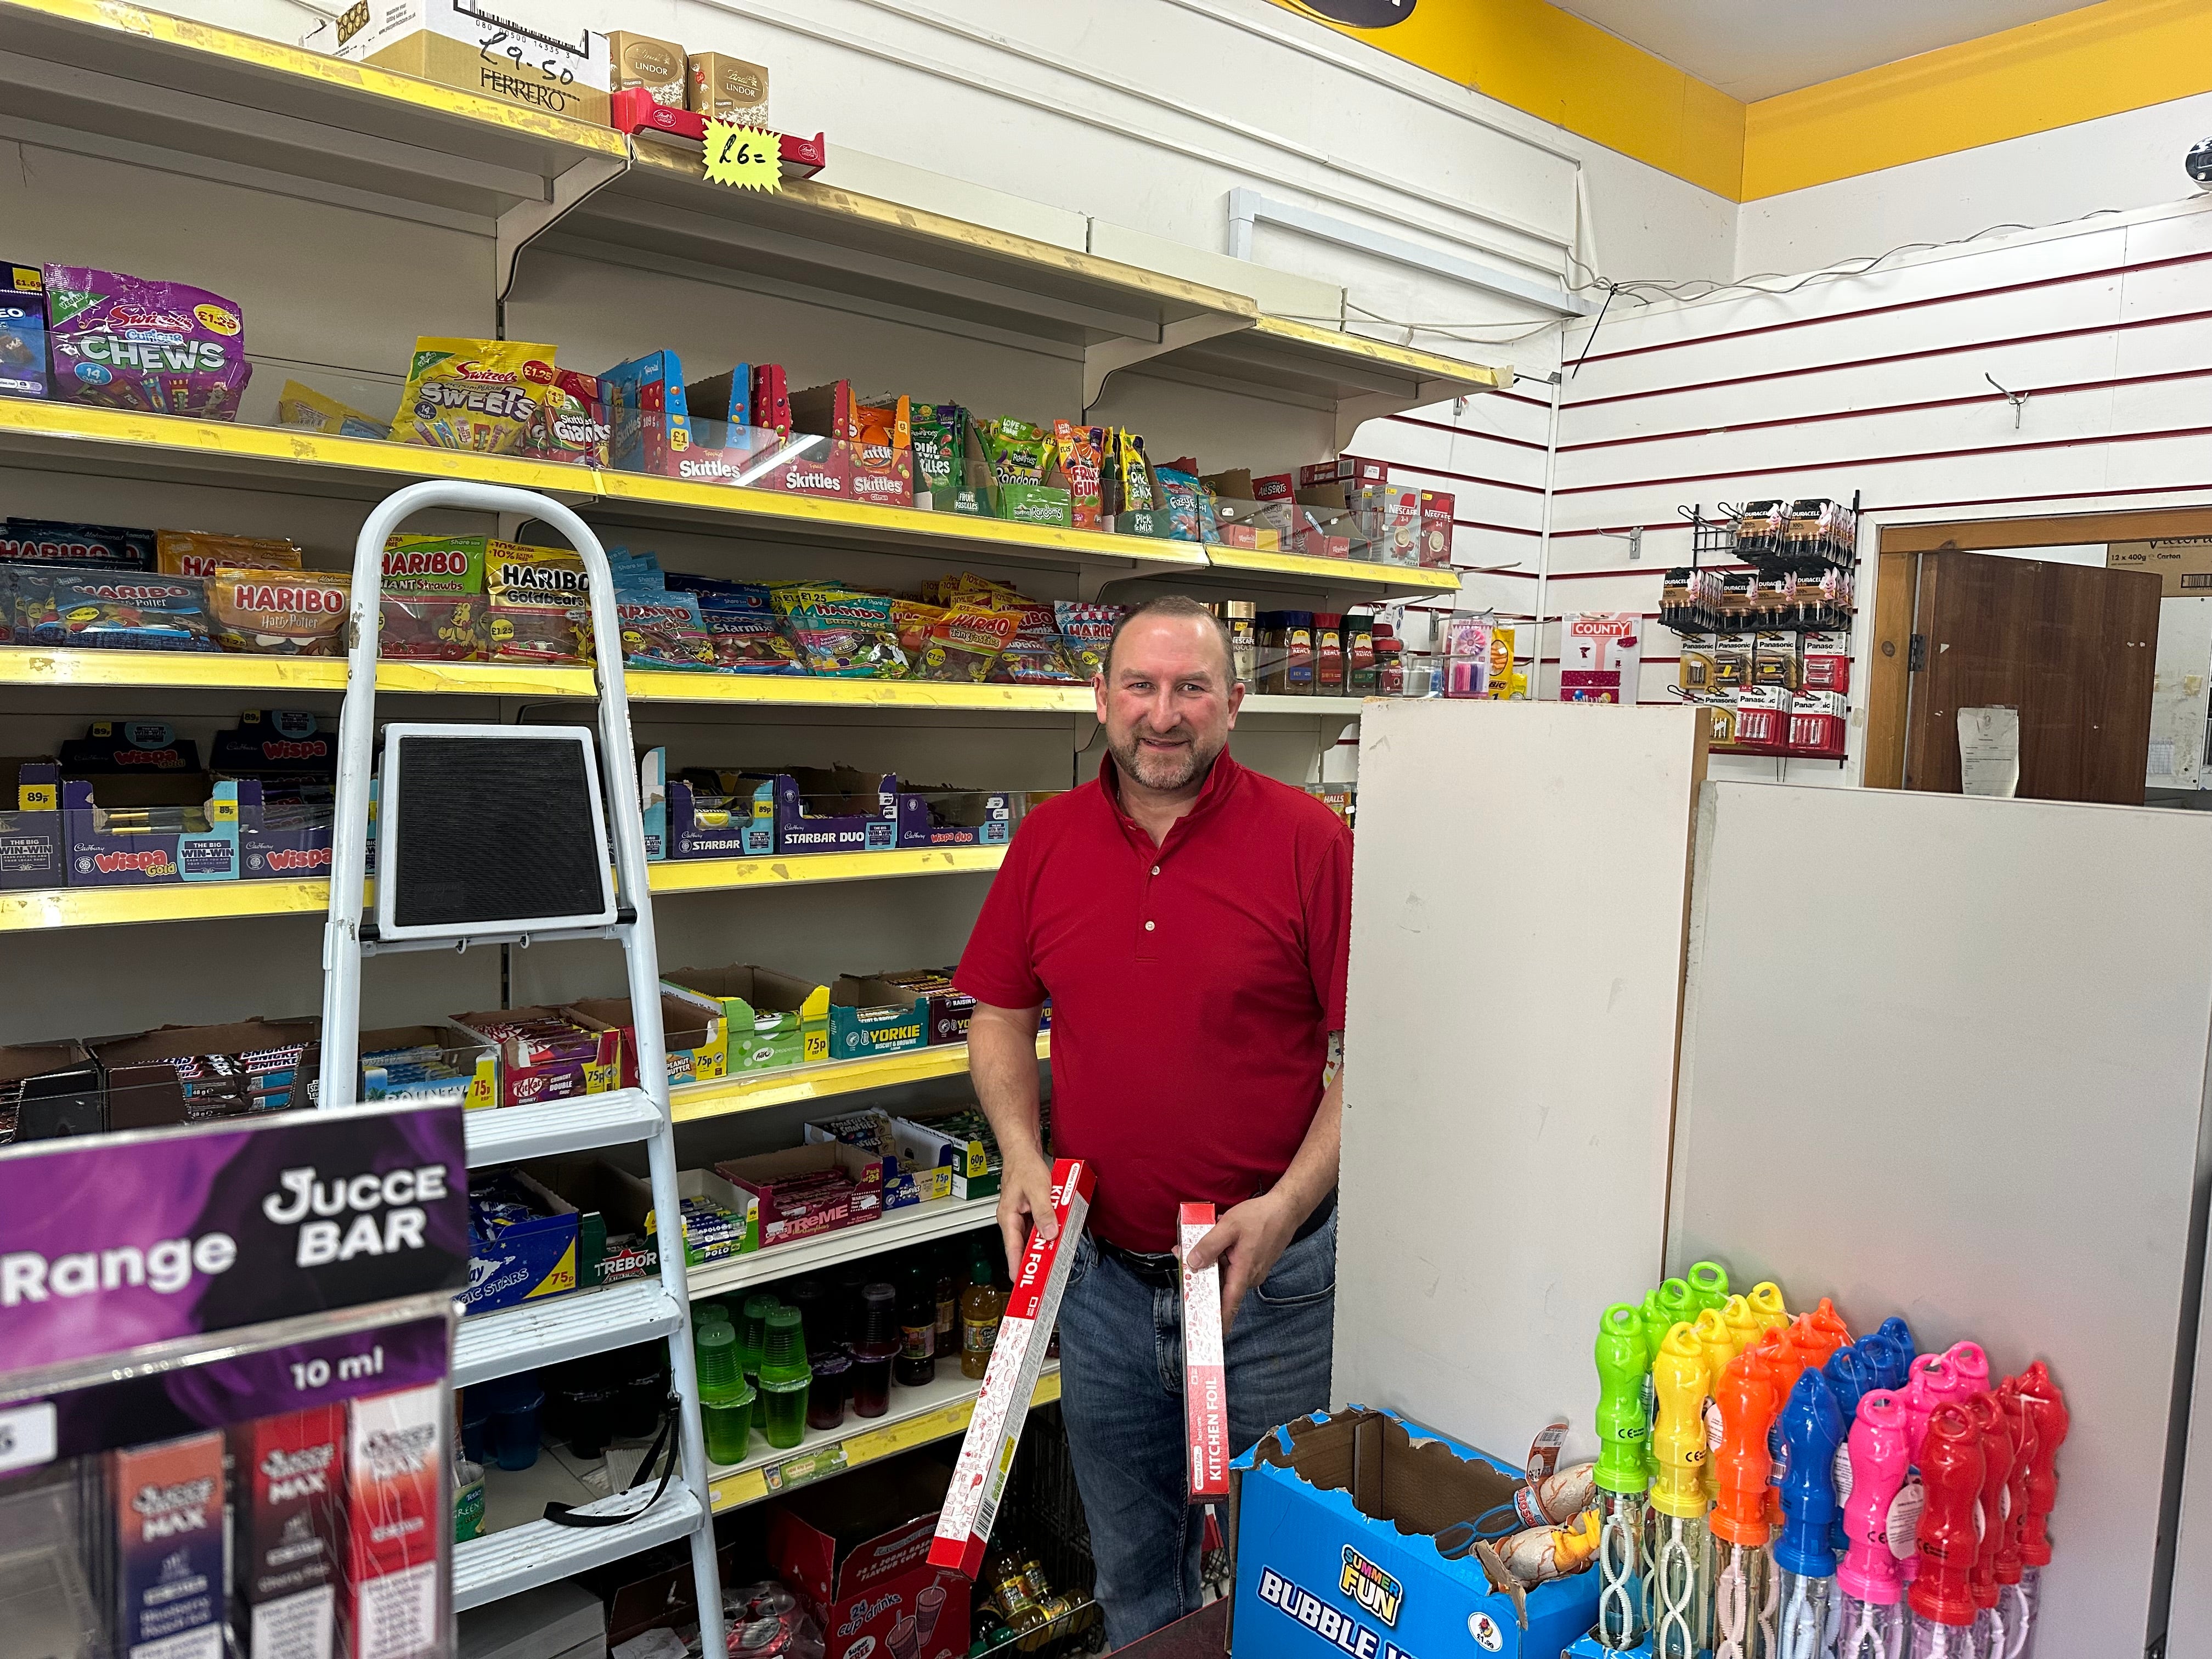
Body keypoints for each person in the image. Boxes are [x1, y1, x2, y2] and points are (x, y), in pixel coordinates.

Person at [955, 594, 1351, 1645]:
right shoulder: (1047, 840)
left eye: (1190, 689)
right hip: (1103, 1289)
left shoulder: (1312, 842)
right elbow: (999, 1016)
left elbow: (1375, 1062)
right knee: (1132, 1578)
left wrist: (1287, 1204)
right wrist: (1020, 1157)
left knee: (1288, 1582)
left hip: (1272, 1288)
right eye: (1140, 686)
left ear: (1235, 704)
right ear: (1102, 699)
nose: (1162, 714)